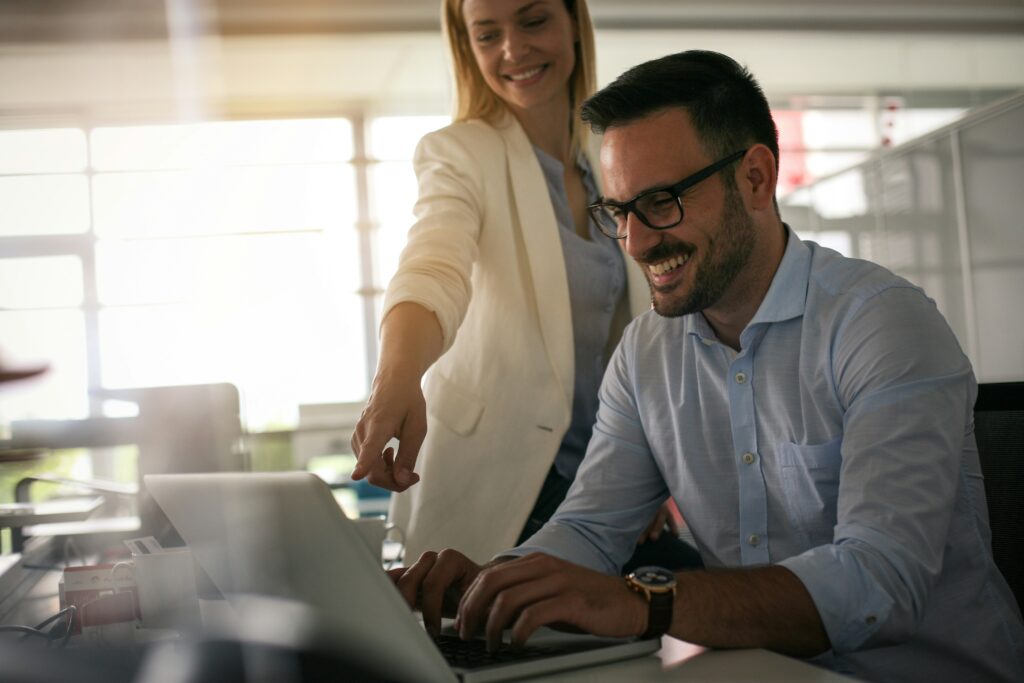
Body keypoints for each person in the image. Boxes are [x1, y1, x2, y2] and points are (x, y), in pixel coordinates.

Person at [387, 50, 1024, 683]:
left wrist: (646, 603)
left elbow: (881, 581)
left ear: (754, 178)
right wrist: (496, 583)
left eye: (661, 201)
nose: (636, 243)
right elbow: (588, 529)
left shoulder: (881, 324)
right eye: (618, 212)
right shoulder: (645, 358)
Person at [349, 0, 701, 571]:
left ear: (573, 25)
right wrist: (396, 377)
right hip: (499, 486)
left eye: (533, 21)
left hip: (604, 491)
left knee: (694, 604)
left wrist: (648, 473)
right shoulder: (461, 152)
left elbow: (647, 338)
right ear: (468, 48)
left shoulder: (610, 159)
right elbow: (432, 266)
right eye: (488, 35)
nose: (513, 50)